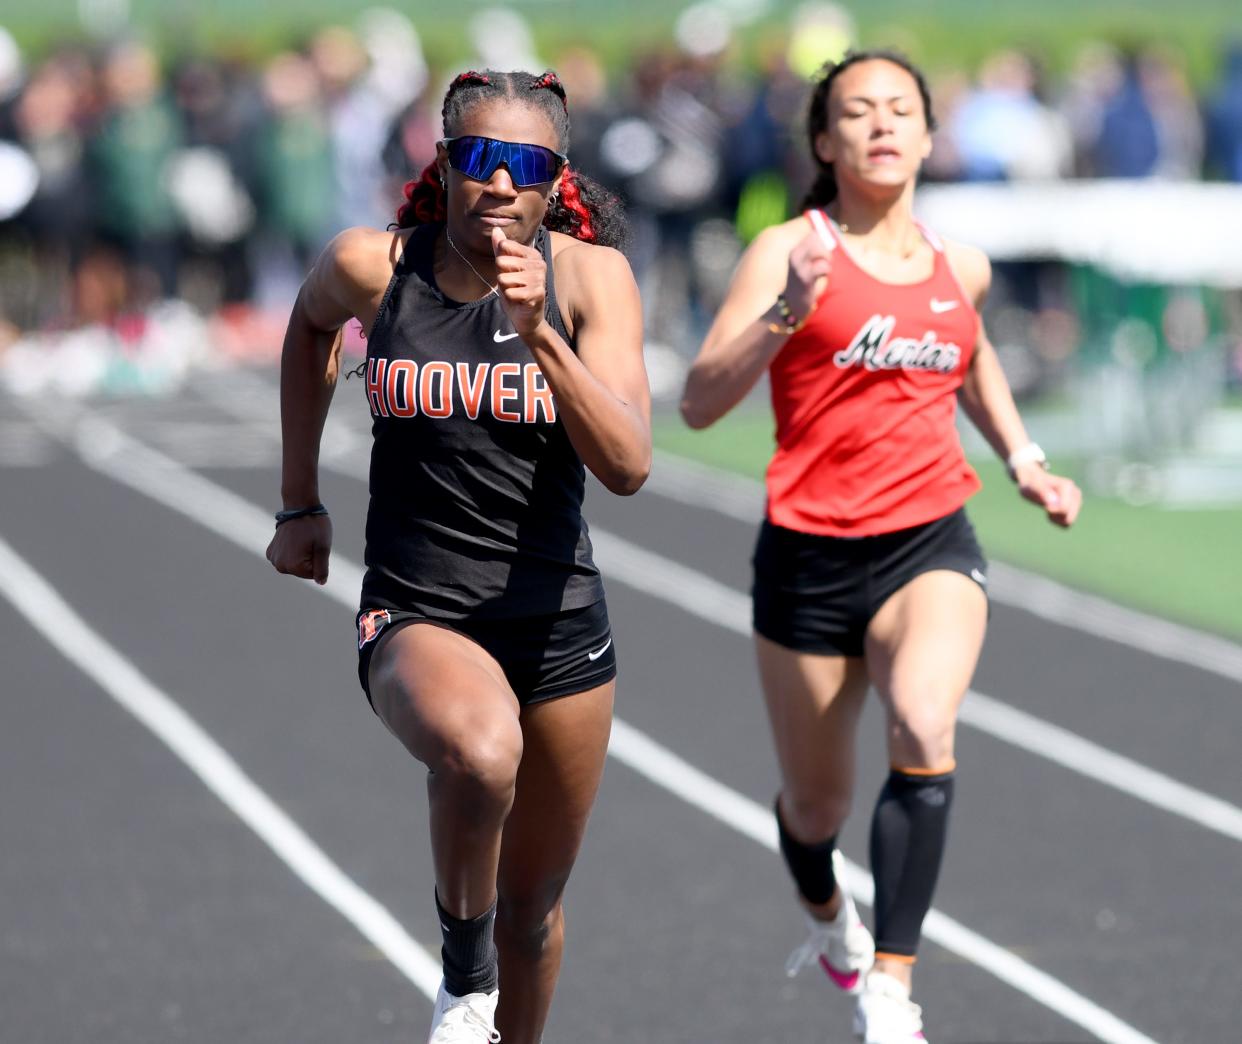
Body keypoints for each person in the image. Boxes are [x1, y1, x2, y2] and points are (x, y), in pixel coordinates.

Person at [680, 50, 1081, 1044]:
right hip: (808, 559)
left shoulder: (961, 264)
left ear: (931, 136)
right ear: (825, 141)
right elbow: (697, 402)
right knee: (815, 810)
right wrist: (788, 309)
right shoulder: (788, 250)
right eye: (857, 112)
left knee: (922, 726)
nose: (882, 125)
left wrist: (1023, 456)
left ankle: (892, 989)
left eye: (901, 109)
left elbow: (971, 346)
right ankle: (835, 928)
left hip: (927, 543)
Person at [266, 69, 650, 1044]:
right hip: (420, 610)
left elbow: (629, 465)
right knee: (479, 758)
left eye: (525, 166)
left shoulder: (591, 279)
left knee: (535, 913)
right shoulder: (374, 266)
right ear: (444, 163)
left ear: (555, 184)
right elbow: (310, 324)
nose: (498, 184)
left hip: (561, 629)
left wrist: (542, 340)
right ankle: (460, 977)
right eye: (479, 158)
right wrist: (300, 499)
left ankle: (500, 1008)